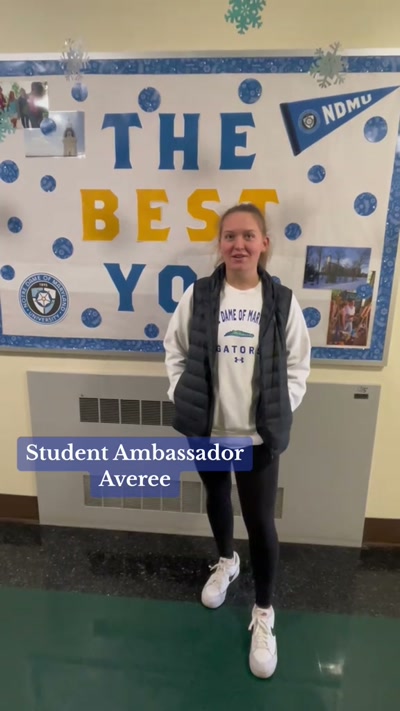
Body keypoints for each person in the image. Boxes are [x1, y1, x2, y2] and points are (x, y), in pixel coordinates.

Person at [163, 202, 311, 679]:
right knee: (216, 496)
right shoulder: (200, 295)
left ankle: (264, 612)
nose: (239, 244)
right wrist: (181, 394)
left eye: (248, 236)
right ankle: (226, 561)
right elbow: (175, 349)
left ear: (264, 243)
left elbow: (298, 364)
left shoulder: (281, 301)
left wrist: (280, 408)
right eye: (230, 236)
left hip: (256, 438)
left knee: (260, 521)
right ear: (220, 244)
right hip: (208, 430)